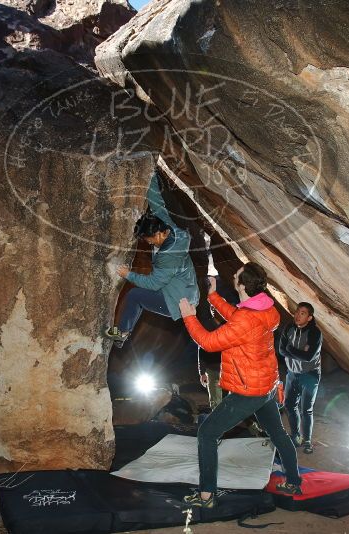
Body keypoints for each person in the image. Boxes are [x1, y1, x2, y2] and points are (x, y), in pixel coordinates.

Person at [177, 263, 302, 508]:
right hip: (266, 386)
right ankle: (294, 481)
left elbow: (209, 342)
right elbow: (238, 318)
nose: (233, 275)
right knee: (277, 433)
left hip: (249, 391)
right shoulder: (266, 307)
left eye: (236, 275)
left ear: (242, 285)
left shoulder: (247, 318)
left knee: (207, 433)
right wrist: (213, 296)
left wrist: (188, 317)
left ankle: (206, 496)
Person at [104, 172, 199, 348]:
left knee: (135, 296)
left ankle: (122, 333)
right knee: (145, 287)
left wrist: (128, 274)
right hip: (186, 289)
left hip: (178, 302)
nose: (147, 242)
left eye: (148, 239)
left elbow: (154, 284)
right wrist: (150, 173)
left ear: (158, 233)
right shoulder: (169, 228)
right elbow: (157, 204)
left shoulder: (168, 257)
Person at [278, 302, 323, 454]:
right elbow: (281, 350)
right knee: (289, 406)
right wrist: (296, 352)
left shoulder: (315, 333)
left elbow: (309, 356)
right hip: (292, 373)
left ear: (309, 318)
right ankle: (295, 435)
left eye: (302, 313)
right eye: (297, 311)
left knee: (306, 409)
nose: (297, 315)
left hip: (309, 374)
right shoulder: (289, 328)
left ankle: (307, 440)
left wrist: (290, 349)